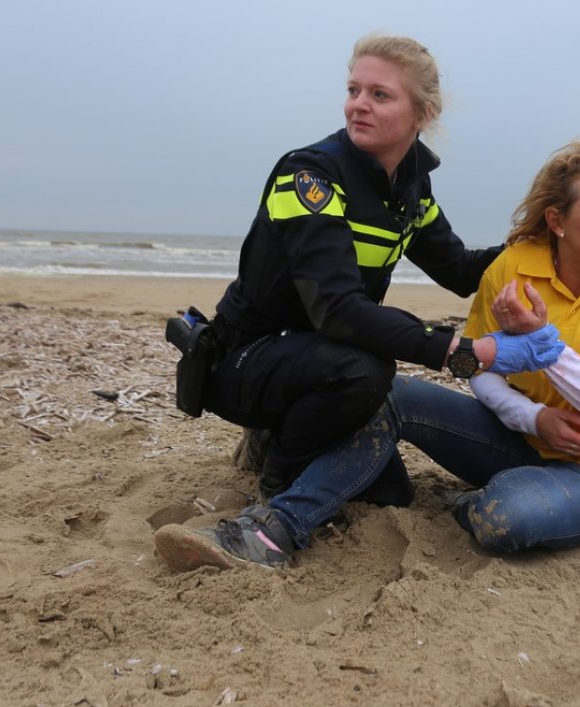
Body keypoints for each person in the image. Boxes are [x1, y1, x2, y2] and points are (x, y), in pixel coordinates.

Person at [154, 139, 580, 570]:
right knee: (388, 393)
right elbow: (483, 374)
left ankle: (484, 501)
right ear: (558, 221)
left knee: (505, 519)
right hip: (514, 440)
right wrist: (534, 417)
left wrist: (544, 344)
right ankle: (275, 529)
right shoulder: (515, 267)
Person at [204, 34, 505, 501]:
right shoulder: (310, 175)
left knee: (392, 495)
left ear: (422, 114)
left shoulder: (413, 189)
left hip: (322, 361)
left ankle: (280, 433)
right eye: (353, 90)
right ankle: (279, 480)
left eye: (379, 94)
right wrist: (456, 350)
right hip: (247, 360)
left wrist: (539, 241)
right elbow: (337, 311)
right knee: (365, 370)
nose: (357, 105)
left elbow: (462, 272)